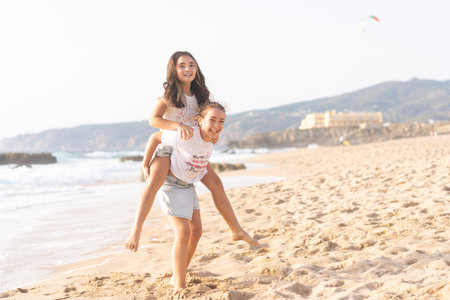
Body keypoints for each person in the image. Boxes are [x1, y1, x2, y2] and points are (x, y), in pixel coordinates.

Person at [124, 51, 257, 253]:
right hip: (169, 147)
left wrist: (212, 134)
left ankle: (236, 229)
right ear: (174, 70)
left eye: (192, 65)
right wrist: (177, 126)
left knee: (216, 184)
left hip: (192, 150)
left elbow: (208, 119)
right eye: (182, 65)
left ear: (197, 69)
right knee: (153, 183)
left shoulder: (200, 96)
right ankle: (136, 230)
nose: (188, 69)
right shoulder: (168, 96)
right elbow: (154, 121)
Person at [138, 102, 226, 289]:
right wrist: (145, 164)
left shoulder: (208, 137)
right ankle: (179, 285)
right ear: (200, 120)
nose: (217, 125)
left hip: (188, 184)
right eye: (212, 120)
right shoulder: (185, 136)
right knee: (183, 232)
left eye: (221, 121)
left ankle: (178, 274)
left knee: (197, 231)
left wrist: (212, 133)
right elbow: (155, 136)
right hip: (172, 182)